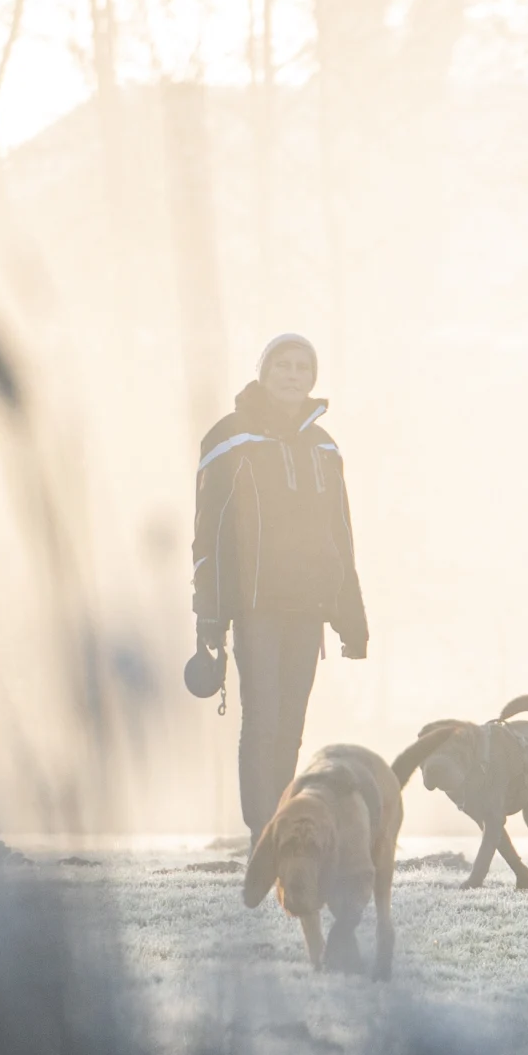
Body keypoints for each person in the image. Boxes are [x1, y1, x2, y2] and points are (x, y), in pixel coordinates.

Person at [191, 333, 368, 835]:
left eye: (301, 368)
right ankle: (262, 830)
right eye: (282, 366)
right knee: (262, 719)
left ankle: (283, 824)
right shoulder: (229, 438)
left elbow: (341, 534)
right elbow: (208, 532)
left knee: (290, 725)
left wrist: (351, 620)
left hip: (308, 605)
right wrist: (208, 612)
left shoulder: (325, 447)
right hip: (254, 606)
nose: (292, 375)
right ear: (264, 373)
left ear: (312, 378)